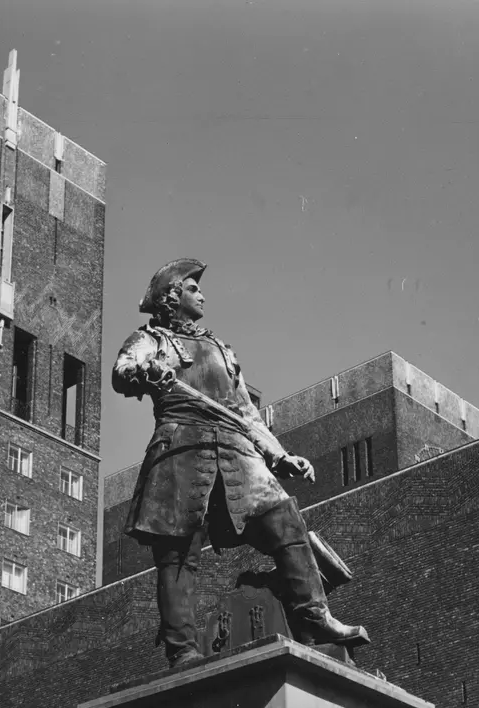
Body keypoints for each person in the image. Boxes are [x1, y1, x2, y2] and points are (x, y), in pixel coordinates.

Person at [113, 259, 370, 668]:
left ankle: (314, 617)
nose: (203, 295)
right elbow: (123, 371)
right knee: (179, 553)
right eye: (194, 288)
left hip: (237, 451)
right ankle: (182, 650)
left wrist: (278, 454)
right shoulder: (151, 339)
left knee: (286, 520)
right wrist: (146, 370)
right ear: (173, 295)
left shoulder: (221, 349)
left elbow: (246, 413)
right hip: (181, 447)